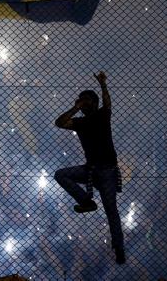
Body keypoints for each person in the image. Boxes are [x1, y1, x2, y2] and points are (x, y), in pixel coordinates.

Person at [54, 71, 125, 265]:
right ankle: (86, 201)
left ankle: (119, 248)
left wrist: (102, 85)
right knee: (61, 175)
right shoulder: (80, 122)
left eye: (86, 101)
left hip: (108, 171)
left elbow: (108, 103)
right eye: (81, 101)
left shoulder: (102, 115)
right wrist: (76, 107)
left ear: (93, 103)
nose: (83, 104)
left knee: (112, 211)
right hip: (92, 170)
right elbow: (59, 123)